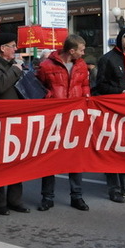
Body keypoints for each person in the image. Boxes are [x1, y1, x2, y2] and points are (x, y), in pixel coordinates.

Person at [35, 35, 91, 211]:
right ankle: (47, 197)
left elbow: (85, 85)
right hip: (54, 118)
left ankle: (77, 196)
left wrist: (86, 98)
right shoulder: (46, 66)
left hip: (74, 117)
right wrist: (49, 97)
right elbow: (37, 88)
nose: (83, 53)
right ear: (71, 51)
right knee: (50, 158)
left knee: (75, 158)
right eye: (81, 50)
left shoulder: (81, 65)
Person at [0, 33, 30, 215]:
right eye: (12, 46)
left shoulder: (12, 65)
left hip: (16, 120)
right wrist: (16, 70)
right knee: (0, 164)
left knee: (17, 162)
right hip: (0, 122)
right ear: (2, 48)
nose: (16, 49)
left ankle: (15, 200)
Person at [92, 27, 125, 203]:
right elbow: (100, 86)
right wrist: (120, 91)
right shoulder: (107, 59)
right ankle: (114, 189)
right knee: (113, 149)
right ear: (120, 39)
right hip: (112, 110)